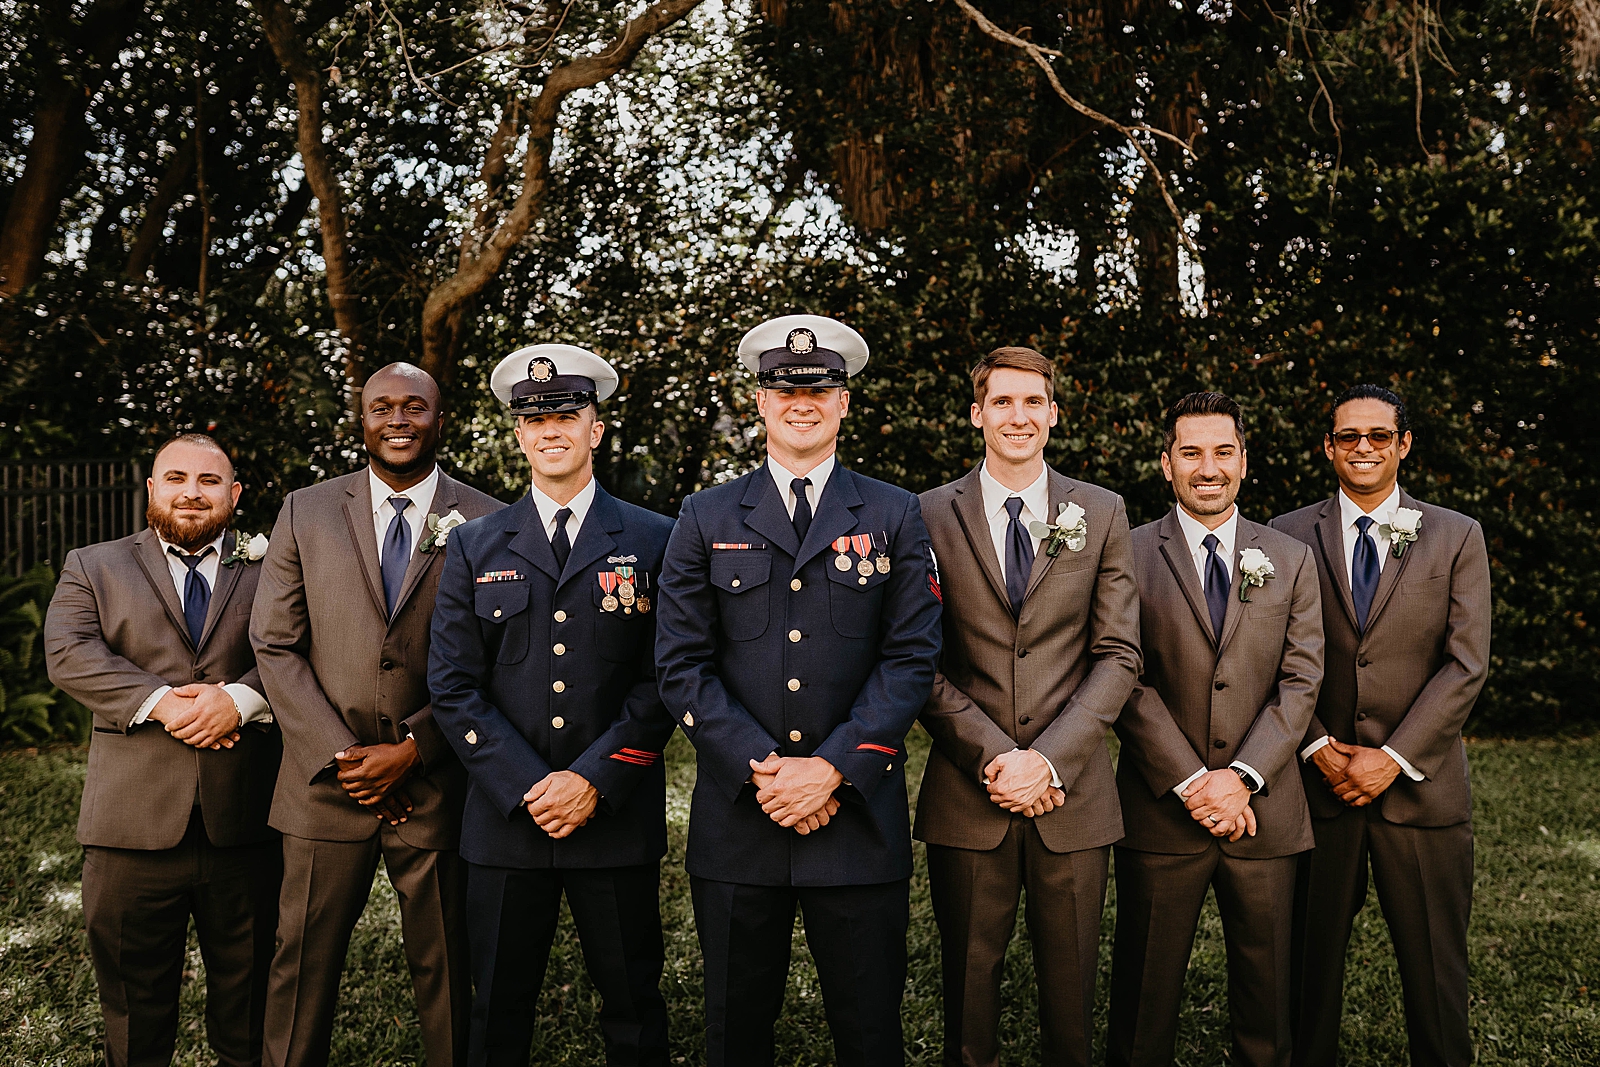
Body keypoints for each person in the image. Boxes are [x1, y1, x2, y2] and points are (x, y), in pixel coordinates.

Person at [654, 314, 942, 1067]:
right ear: (759, 400)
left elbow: (912, 656)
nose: (801, 401)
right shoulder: (705, 515)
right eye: (785, 387)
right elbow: (681, 663)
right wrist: (768, 768)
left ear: (844, 402)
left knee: (870, 1033)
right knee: (734, 1034)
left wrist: (832, 769)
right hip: (740, 825)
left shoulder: (894, 512)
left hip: (856, 824)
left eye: (819, 388)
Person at [428, 345, 677, 1066]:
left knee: (633, 1004)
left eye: (567, 413)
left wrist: (592, 779)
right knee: (497, 1009)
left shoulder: (655, 538)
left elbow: (665, 676)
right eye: (535, 417)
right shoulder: (476, 544)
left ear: (596, 428)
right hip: (508, 823)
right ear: (519, 434)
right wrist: (529, 785)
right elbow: (452, 682)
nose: (551, 429)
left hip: (615, 817)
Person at [250, 363, 503, 1067]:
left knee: (448, 967)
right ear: (360, 420)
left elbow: (497, 658)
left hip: (438, 782)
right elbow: (274, 641)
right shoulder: (305, 509)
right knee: (300, 967)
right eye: (381, 407)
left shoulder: (488, 518)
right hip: (325, 785)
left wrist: (415, 748)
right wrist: (342, 755)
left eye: (414, 407)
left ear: (440, 419)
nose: (397, 419)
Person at [914, 346, 1141, 1067]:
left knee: (1071, 995)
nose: (1019, 416)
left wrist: (1046, 759)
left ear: (1053, 412)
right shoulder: (924, 514)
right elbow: (918, 658)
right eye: (1003, 402)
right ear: (977, 412)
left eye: (1033, 402)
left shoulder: (1100, 511)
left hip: (1070, 794)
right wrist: (996, 757)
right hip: (967, 789)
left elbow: (1119, 655)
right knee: (968, 990)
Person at [44, 433, 281, 1067]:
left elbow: (304, 654)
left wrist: (240, 698)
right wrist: (167, 704)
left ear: (233, 494)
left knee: (252, 1010)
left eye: (208, 481)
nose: (191, 493)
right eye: (175, 478)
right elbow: (70, 655)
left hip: (249, 825)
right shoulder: (93, 565)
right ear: (152, 490)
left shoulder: (276, 565)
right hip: (130, 830)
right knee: (135, 1013)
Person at [1271, 384, 1490, 1067]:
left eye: (1377, 435)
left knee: (1435, 976)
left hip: (1421, 792)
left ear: (1403, 444)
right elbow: (1268, 656)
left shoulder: (1457, 534)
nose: (1362, 447)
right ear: (1328, 447)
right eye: (1348, 436)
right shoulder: (1282, 533)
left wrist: (1392, 757)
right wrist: (1314, 746)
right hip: (1316, 788)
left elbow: (1465, 664)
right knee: (1304, 976)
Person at [1107, 392, 1324, 1067]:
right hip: (1160, 809)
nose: (1209, 466)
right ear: (1166, 464)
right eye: (1192, 452)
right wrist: (1195, 780)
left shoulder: (1289, 557)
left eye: (1222, 451)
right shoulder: (1128, 553)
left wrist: (1243, 778)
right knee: (1145, 999)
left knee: (1269, 1000)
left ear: (1244, 462)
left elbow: (1302, 679)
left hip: (1266, 812)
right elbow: (1124, 675)